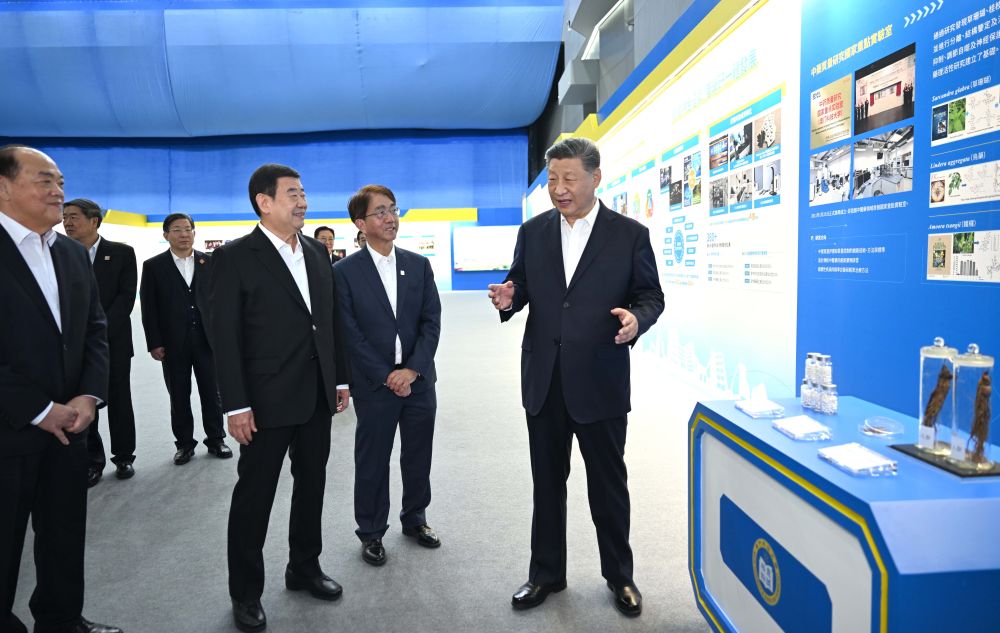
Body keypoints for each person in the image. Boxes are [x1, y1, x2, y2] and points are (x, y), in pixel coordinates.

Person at [488, 137, 664, 618]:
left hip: (600, 379)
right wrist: (510, 297)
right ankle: (546, 574)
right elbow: (521, 283)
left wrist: (637, 319)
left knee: (608, 486)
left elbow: (651, 295)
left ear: (595, 178)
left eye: (569, 179)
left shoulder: (629, 235)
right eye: (552, 180)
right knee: (547, 484)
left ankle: (620, 576)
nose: (559, 189)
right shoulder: (533, 231)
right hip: (544, 379)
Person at [210, 164, 351, 632]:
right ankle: (245, 591)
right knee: (255, 497)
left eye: (304, 192)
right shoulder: (234, 257)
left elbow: (329, 321)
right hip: (264, 401)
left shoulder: (316, 251)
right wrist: (235, 405)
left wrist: (340, 379)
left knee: (312, 486)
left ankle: (304, 567)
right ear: (264, 202)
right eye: (293, 193)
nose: (303, 201)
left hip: (315, 396)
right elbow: (224, 337)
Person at [0, 145, 121, 633]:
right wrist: (38, 409)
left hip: (72, 425)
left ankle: (62, 620)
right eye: (44, 181)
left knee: (64, 533)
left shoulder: (70, 253)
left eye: (61, 183)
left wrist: (88, 396)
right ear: (4, 187)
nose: (58, 192)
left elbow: (95, 329)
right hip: (10, 430)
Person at [334, 185, 442, 567]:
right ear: (361, 224)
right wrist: (386, 375)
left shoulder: (418, 265)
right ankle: (371, 531)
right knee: (373, 460)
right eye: (380, 211)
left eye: (393, 209)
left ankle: (415, 519)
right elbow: (349, 333)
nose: (390, 217)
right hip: (373, 385)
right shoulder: (344, 273)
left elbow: (431, 322)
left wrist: (411, 370)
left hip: (418, 382)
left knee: (418, 455)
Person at [139, 213, 231, 464]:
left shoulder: (210, 262)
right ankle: (184, 444)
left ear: (194, 232)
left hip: (207, 340)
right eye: (177, 230)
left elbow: (222, 302)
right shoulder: (154, 266)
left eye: (188, 229)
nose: (184, 234)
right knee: (178, 395)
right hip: (172, 343)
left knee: (212, 393)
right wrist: (154, 342)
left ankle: (216, 439)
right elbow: (149, 308)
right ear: (166, 234)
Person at [62, 198, 138, 486]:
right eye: (65, 217)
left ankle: (124, 457)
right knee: (84, 399)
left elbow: (125, 298)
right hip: (73, 346)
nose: (67, 222)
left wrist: (96, 332)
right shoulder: (60, 252)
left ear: (94, 221)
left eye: (74, 217)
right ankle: (92, 460)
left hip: (113, 341)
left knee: (119, 400)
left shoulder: (121, 253)